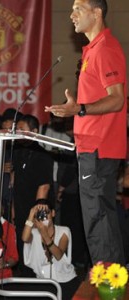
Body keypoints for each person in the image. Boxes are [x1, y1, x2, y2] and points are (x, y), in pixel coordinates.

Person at [45, 0, 127, 265]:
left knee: (96, 217)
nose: (71, 15)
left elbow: (117, 99)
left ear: (97, 12)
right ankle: (113, 278)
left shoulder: (105, 48)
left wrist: (79, 109)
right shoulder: (93, 50)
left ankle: (108, 281)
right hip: (92, 146)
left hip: (99, 146)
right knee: (99, 215)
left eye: (77, 9)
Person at [12, 114, 53, 276]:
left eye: (22, 129)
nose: (18, 132)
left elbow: (44, 187)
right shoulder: (18, 151)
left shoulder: (43, 155)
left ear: (35, 131)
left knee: (34, 247)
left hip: (34, 212)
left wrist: (35, 217)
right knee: (21, 248)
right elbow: (14, 181)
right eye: (17, 129)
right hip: (20, 207)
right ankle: (23, 280)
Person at [22, 199, 80, 300]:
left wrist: (45, 234)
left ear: (53, 213)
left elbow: (58, 255)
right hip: (43, 282)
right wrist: (31, 215)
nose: (43, 216)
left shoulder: (64, 230)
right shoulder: (34, 233)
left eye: (46, 213)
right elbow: (24, 238)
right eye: (39, 213)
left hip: (65, 281)